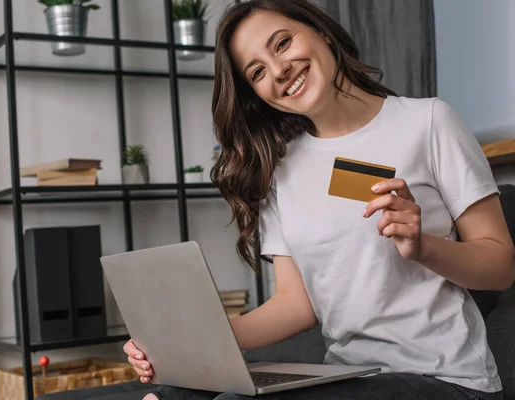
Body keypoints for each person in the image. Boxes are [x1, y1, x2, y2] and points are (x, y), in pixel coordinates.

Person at [123, 0, 515, 399]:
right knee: (170, 395)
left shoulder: (429, 121)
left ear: (321, 32)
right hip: (348, 378)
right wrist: (187, 344)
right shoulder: (280, 168)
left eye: (282, 43)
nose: (279, 70)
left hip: (445, 378)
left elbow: (501, 267)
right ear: (257, 94)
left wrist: (422, 246)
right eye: (257, 71)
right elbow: (296, 304)